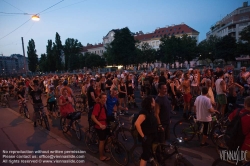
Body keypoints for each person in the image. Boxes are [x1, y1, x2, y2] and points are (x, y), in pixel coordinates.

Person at [135, 96, 158, 166]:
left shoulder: (150, 110)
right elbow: (137, 123)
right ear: (150, 103)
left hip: (151, 135)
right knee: (145, 155)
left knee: (148, 152)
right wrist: (143, 136)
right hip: (146, 137)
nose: (155, 102)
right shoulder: (144, 112)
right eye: (153, 101)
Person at [228, 96, 250, 161]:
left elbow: (229, 119)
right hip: (247, 145)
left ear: (245, 104)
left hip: (236, 141)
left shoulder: (238, 111)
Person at [91, 93, 111, 161]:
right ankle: (101, 156)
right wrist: (100, 124)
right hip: (100, 126)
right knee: (102, 141)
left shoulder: (103, 105)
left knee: (110, 137)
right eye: (103, 98)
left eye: (106, 97)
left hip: (105, 123)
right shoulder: (98, 105)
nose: (105, 99)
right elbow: (93, 117)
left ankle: (104, 148)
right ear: (100, 98)